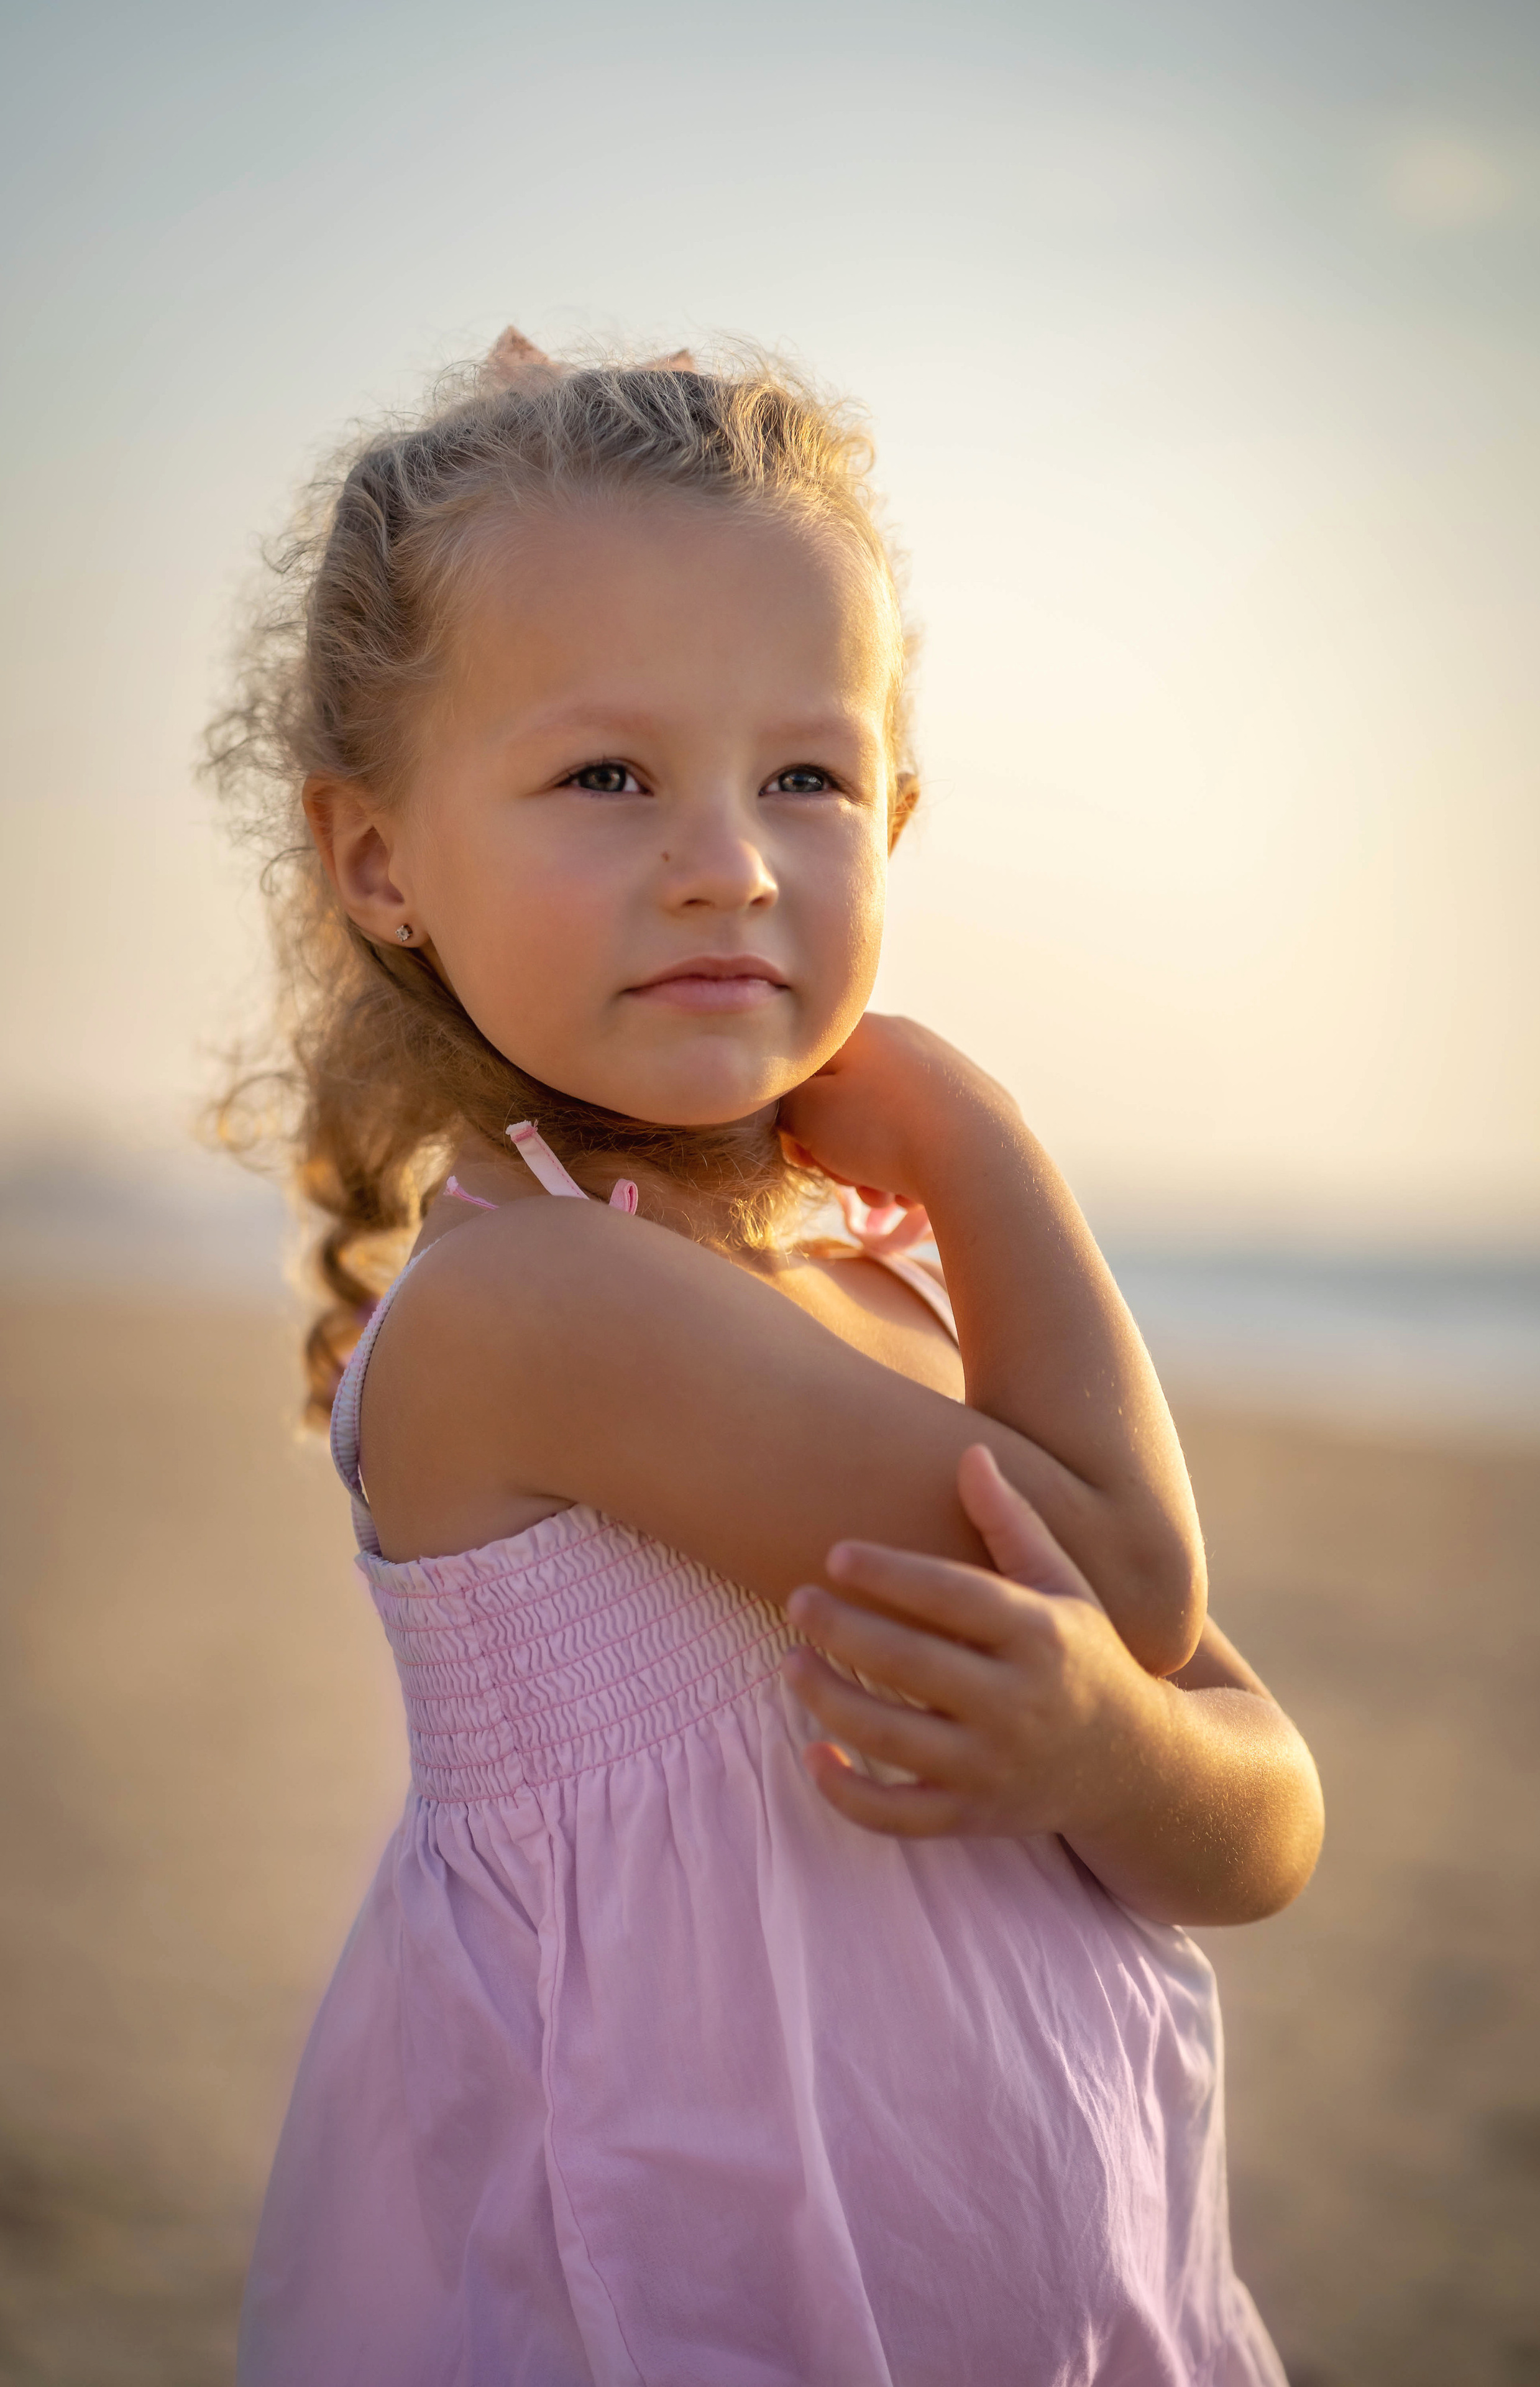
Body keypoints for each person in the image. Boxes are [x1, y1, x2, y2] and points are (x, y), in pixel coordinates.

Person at [219, 330, 1321, 2385]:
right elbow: (1136, 1591)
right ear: (379, 859)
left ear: (895, 819)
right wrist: (978, 1134)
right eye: (608, 776)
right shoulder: (536, 1307)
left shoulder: (881, 1306)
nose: (725, 855)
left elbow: (1261, 1814)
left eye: (802, 775)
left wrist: (1114, 1755)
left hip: (1034, 2263)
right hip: (703, 2293)